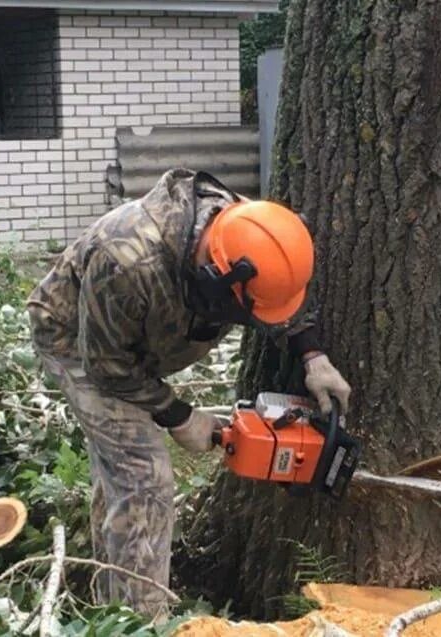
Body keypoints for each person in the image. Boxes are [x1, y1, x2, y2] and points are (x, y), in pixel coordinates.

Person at [26, 168, 351, 619]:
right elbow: (108, 365)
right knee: (144, 476)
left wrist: (313, 356)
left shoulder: (252, 231)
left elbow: (280, 289)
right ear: (215, 278)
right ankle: (137, 623)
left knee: (121, 474)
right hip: (80, 342)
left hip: (142, 338)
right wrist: (179, 416)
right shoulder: (126, 259)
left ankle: (108, 600)